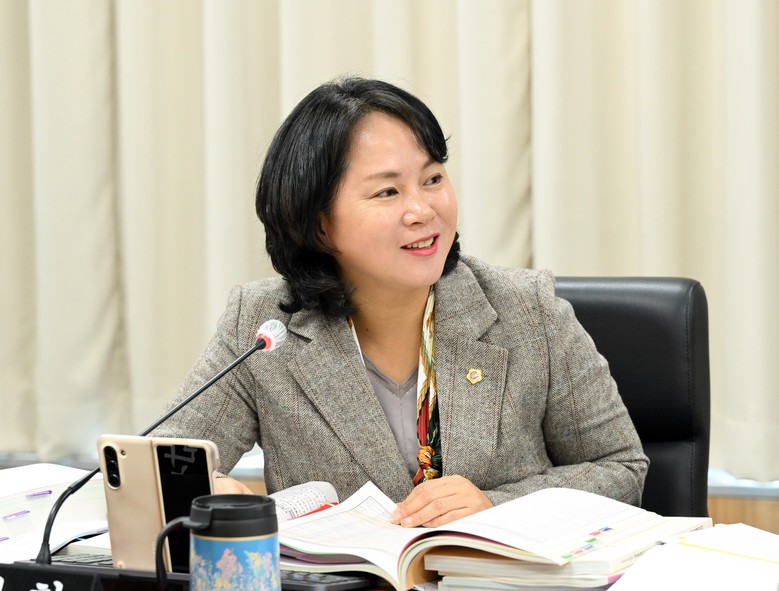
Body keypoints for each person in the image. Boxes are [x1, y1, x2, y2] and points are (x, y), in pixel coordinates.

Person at [154, 76, 648, 528]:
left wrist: (497, 505)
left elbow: (621, 469)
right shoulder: (265, 327)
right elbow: (161, 465)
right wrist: (205, 489)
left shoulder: (527, 311)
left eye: (433, 179)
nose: (423, 210)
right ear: (319, 224)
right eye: (388, 191)